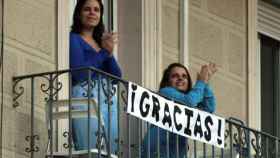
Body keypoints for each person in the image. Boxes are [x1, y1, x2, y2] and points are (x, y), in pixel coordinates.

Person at [69, 0, 122, 154]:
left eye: (96, 10)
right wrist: (104, 53)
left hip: (108, 102)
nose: (92, 13)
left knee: (109, 153)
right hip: (85, 99)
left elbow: (116, 77)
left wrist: (109, 52)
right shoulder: (74, 38)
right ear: (79, 14)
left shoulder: (100, 43)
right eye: (87, 9)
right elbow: (80, 73)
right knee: (90, 151)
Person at [142, 63, 217, 158]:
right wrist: (201, 81)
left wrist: (205, 82)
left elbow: (209, 108)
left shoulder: (188, 102)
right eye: (175, 76)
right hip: (157, 152)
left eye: (184, 76)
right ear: (168, 81)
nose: (180, 78)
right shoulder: (165, 92)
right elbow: (189, 101)